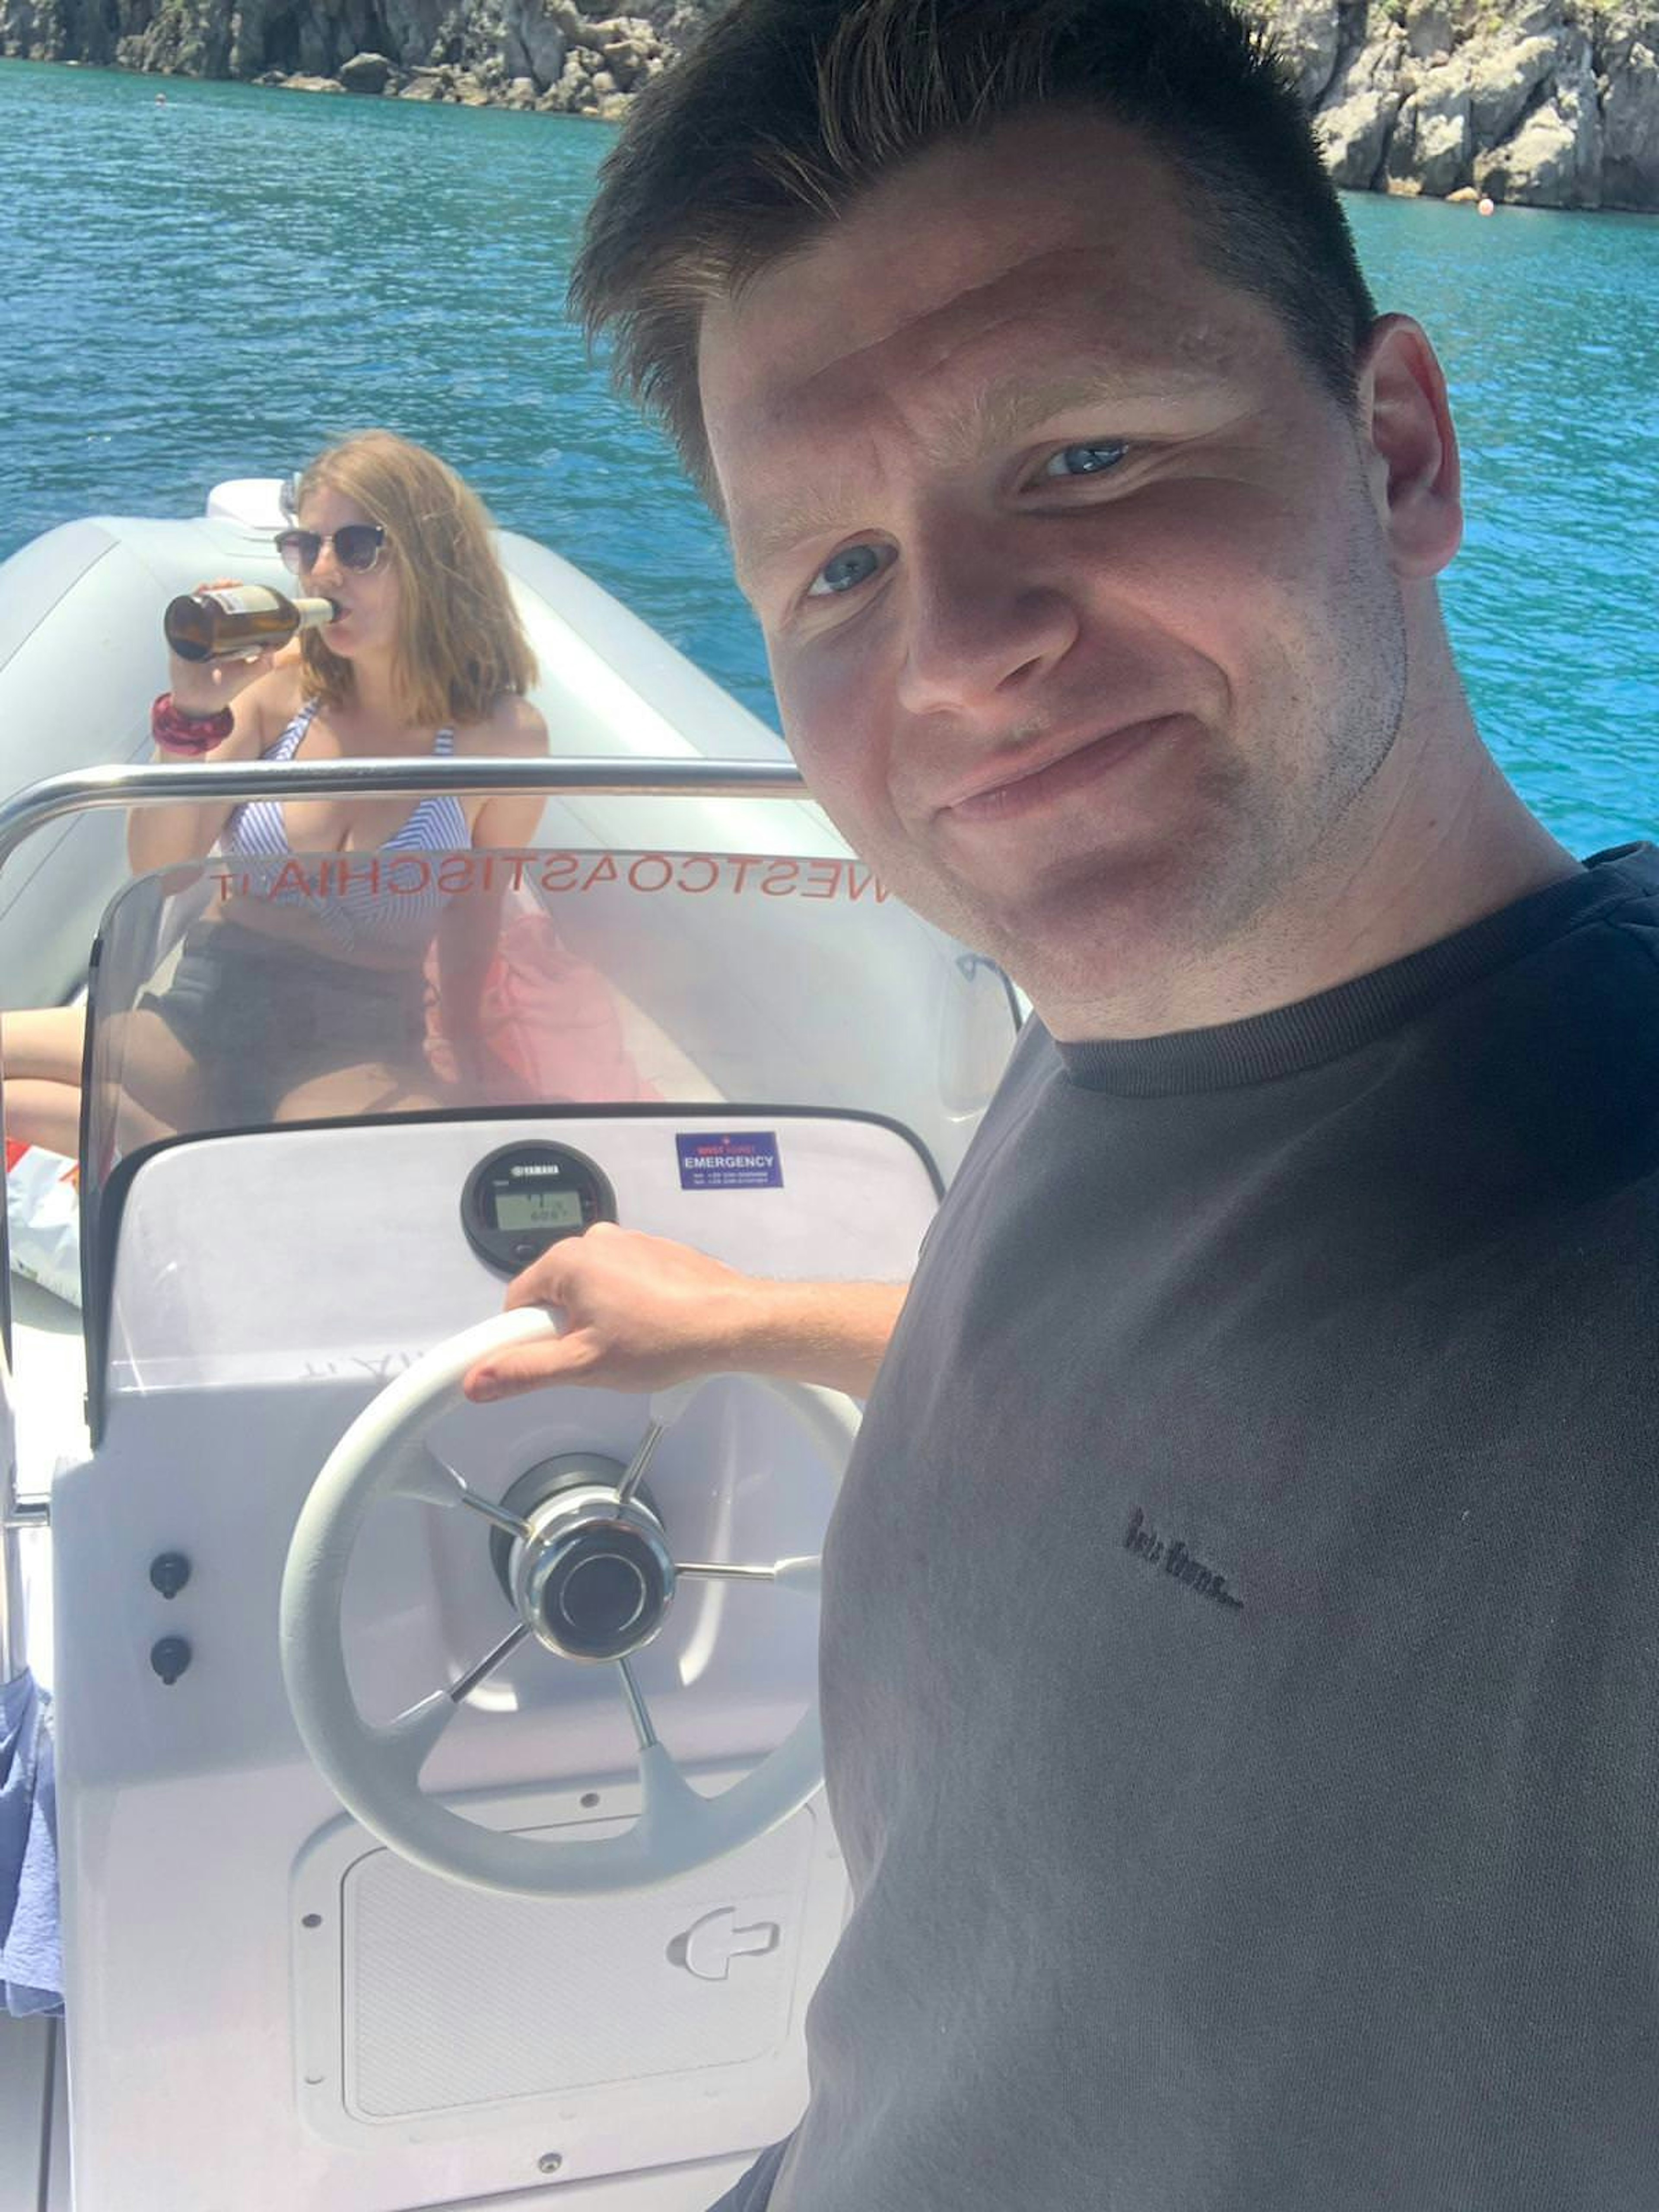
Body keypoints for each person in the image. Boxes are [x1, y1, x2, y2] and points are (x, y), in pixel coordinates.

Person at [462, 3, 1659, 2208]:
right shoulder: (1127, 1031)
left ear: (1400, 446)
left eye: (1087, 455)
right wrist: (738, 1313)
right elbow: (1197, 1402)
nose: (958, 649)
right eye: (834, 569)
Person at [2, 430, 548, 1150]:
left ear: (432, 557)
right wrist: (192, 714)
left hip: (358, 1032)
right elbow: (160, 870)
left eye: (357, 548)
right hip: (207, 1007)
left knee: (318, 1166)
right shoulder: (280, 688)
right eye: (305, 548)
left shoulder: (502, 737)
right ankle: (159, 1135)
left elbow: (477, 904)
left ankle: (157, 1137)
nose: (323, 572)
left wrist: (467, 1035)